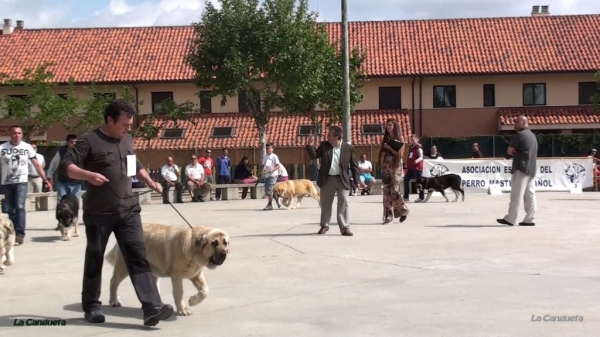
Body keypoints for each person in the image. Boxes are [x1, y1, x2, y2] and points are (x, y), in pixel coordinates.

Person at [59, 99, 173, 326]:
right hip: (99, 213)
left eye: (130, 124)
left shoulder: (128, 140)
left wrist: (150, 181)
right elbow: (66, 165)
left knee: (139, 257)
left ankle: (152, 308)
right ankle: (91, 306)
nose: (128, 129)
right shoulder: (90, 141)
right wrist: (88, 176)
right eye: (125, 124)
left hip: (128, 210)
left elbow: (134, 165)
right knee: (95, 259)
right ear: (110, 120)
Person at [306, 126, 365, 236]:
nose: (327, 137)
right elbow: (314, 156)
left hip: (342, 180)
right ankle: (324, 225)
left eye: (329, 135)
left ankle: (345, 228)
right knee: (326, 204)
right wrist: (310, 145)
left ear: (337, 137)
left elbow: (354, 165)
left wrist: (357, 180)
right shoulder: (324, 146)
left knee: (343, 203)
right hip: (327, 179)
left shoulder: (348, 148)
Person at [0, 125, 52, 245]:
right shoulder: (2, 148)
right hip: (7, 182)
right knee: (11, 209)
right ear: (10, 134)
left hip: (22, 182)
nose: (17, 135)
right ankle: (12, 231)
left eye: (19, 133)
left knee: (20, 206)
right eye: (14, 133)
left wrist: (45, 179)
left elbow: (37, 165)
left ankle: (20, 233)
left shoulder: (27, 147)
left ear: (22, 135)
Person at [497, 115, 538, 227]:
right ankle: (530, 218)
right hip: (531, 168)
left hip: (520, 167)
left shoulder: (520, 135)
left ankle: (510, 219)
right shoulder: (532, 136)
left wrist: (514, 153)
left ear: (523, 123)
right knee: (530, 195)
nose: (514, 124)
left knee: (516, 195)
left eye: (516, 122)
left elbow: (510, 151)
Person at [47, 134, 83, 230]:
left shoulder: (80, 152)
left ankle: (75, 223)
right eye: (71, 142)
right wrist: (48, 176)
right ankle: (60, 223)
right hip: (62, 182)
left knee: (75, 203)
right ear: (67, 143)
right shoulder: (61, 152)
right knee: (61, 202)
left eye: (75, 142)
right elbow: (53, 164)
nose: (74, 144)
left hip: (76, 182)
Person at [379, 119, 410, 223]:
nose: (388, 127)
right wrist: (381, 162)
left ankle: (403, 210)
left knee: (394, 190)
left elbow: (400, 155)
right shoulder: (385, 139)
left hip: (396, 166)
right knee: (386, 192)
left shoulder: (400, 138)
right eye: (387, 125)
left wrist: (390, 148)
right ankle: (388, 216)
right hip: (386, 166)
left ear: (394, 126)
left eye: (390, 125)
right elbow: (382, 152)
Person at [403, 134, 425, 202]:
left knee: (419, 182)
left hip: (417, 168)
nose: (412, 141)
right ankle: (406, 196)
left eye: (413, 140)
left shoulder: (419, 148)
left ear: (417, 140)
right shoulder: (411, 148)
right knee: (406, 180)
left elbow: (421, 157)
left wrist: (417, 160)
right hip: (410, 168)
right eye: (411, 140)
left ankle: (421, 197)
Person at [261, 143, 281, 210]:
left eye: (269, 148)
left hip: (273, 175)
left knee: (269, 190)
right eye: (267, 148)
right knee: (267, 191)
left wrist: (273, 169)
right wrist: (261, 172)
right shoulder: (265, 156)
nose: (268, 150)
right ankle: (277, 199)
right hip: (267, 175)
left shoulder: (274, 156)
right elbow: (263, 165)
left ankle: (270, 205)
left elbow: (278, 165)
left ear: (272, 149)